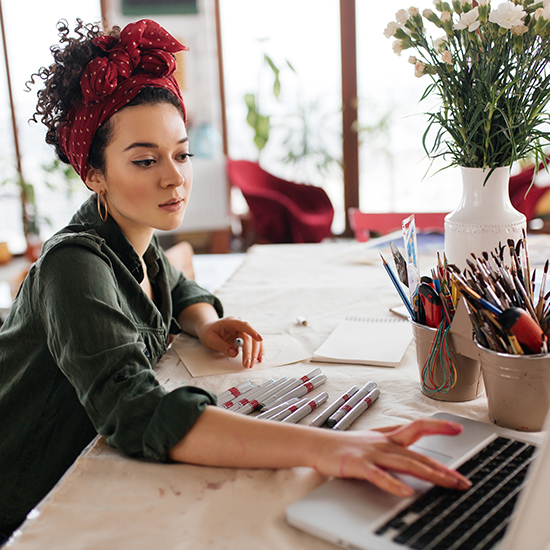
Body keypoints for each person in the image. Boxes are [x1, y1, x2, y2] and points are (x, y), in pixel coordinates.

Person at [0, 18, 471, 544]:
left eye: (181, 153)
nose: (174, 177)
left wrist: (206, 323)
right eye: (144, 160)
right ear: (93, 173)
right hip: (30, 494)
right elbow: (137, 414)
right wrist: (324, 447)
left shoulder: (132, 234)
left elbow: (177, 289)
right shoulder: (74, 266)